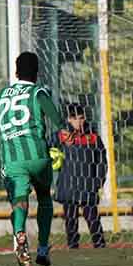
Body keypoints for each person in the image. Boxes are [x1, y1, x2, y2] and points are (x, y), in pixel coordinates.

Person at [0, 52, 64, 266]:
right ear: (37, 73)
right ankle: (42, 249)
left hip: (13, 159)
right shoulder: (37, 91)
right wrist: (63, 129)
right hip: (38, 155)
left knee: (20, 200)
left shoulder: (3, 94)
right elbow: (53, 114)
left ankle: (19, 232)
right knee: (44, 198)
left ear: (16, 71)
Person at [51, 103, 107, 249]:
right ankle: (73, 246)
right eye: (76, 119)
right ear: (69, 119)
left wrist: (98, 181)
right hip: (68, 185)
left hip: (88, 185)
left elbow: (102, 160)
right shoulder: (62, 135)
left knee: (93, 218)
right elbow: (45, 147)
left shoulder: (93, 136)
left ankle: (100, 245)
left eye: (82, 118)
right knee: (70, 220)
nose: (80, 122)